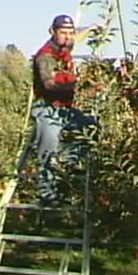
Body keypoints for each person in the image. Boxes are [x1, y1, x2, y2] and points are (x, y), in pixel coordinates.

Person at [32, 14, 100, 207]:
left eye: (69, 32)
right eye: (63, 32)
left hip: (66, 110)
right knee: (48, 148)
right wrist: (81, 88)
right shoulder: (45, 56)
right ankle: (47, 194)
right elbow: (49, 85)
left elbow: (76, 36)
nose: (67, 36)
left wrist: (92, 27)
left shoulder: (65, 45)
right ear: (52, 32)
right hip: (47, 109)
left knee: (92, 128)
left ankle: (68, 162)